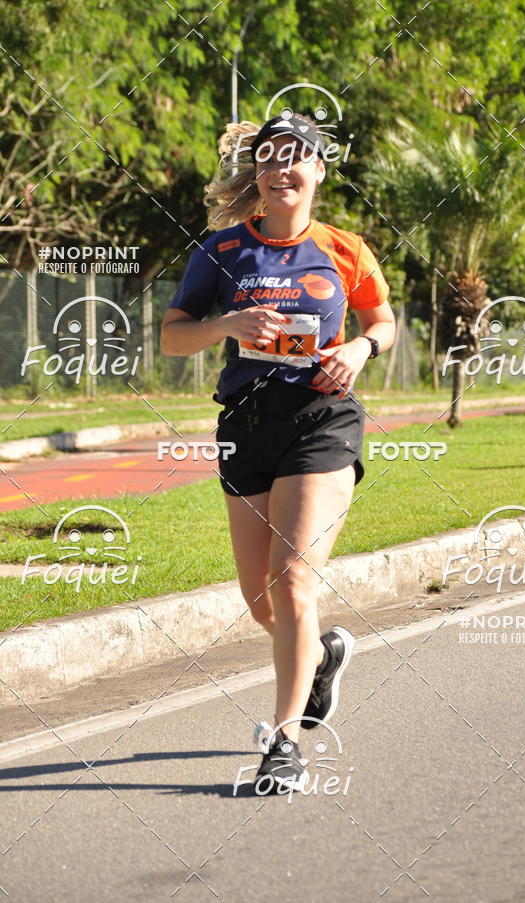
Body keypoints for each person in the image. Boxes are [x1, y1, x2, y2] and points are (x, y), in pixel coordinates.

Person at [161, 112, 395, 793]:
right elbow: (173, 337)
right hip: (246, 424)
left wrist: (361, 348)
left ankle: (284, 742)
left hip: (322, 421)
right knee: (263, 602)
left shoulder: (345, 248)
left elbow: (383, 319)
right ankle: (319, 656)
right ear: (257, 171)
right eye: (268, 156)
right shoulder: (221, 250)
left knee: (293, 582)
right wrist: (226, 324)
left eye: (296, 156)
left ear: (319, 168)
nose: (281, 168)